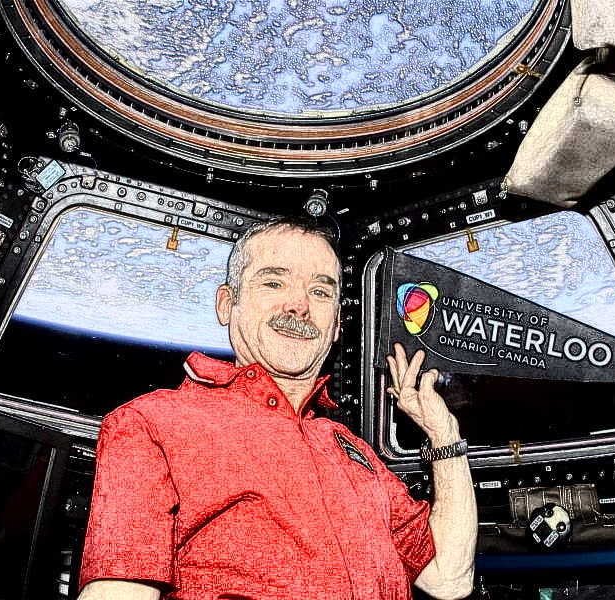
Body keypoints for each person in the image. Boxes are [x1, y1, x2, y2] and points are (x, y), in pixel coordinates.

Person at [78, 217, 477, 600]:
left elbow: (449, 577)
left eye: (320, 292)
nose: (299, 305)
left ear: (337, 326)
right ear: (226, 304)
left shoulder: (353, 451)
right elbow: (118, 592)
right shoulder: (153, 423)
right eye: (273, 282)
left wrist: (444, 433)